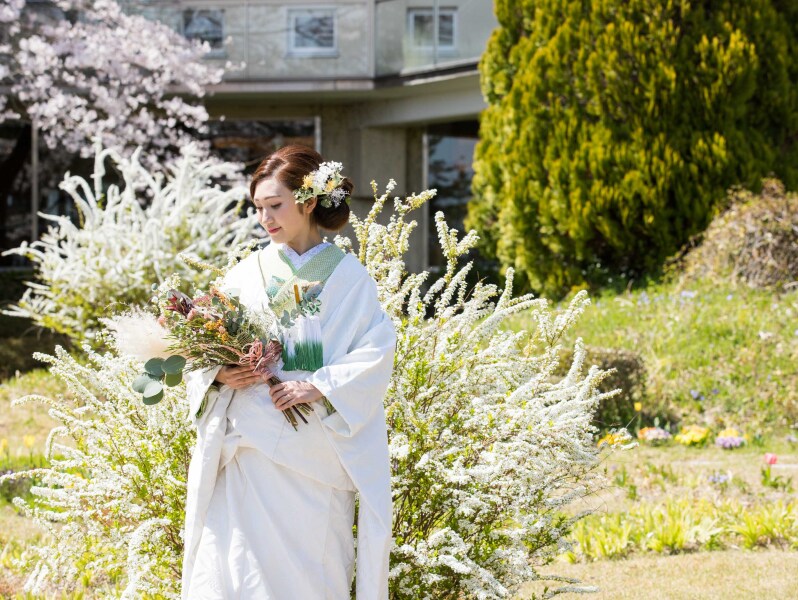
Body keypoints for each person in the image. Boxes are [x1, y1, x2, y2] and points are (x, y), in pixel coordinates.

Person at [180, 145, 397, 599]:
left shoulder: (350, 278)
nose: (265, 219)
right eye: (258, 208)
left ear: (309, 200)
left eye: (275, 205)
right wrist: (221, 375)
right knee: (239, 568)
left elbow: (376, 350)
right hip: (249, 452)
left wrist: (317, 383)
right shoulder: (246, 273)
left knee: (311, 574)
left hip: (316, 450)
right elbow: (205, 348)